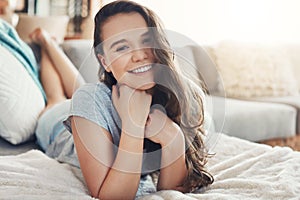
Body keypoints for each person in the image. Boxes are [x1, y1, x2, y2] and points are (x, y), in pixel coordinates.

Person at [62, 1, 214, 199]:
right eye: (122, 47)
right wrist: (132, 126)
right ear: (105, 61)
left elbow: (171, 193)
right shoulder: (90, 100)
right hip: (57, 130)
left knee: (60, 95)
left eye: (146, 41)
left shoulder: (188, 96)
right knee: (53, 101)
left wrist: (173, 138)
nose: (140, 55)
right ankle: (47, 44)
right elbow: (113, 196)